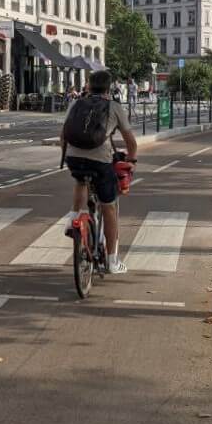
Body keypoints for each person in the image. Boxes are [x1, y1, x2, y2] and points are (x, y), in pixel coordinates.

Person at [60, 70, 138, 275]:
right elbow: (131, 142)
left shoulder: (75, 104)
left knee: (80, 180)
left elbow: (63, 135)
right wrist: (132, 160)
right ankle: (112, 261)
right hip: (100, 162)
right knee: (109, 207)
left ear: (88, 86)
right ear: (109, 87)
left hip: (74, 158)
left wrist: (66, 156)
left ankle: (74, 218)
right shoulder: (114, 107)